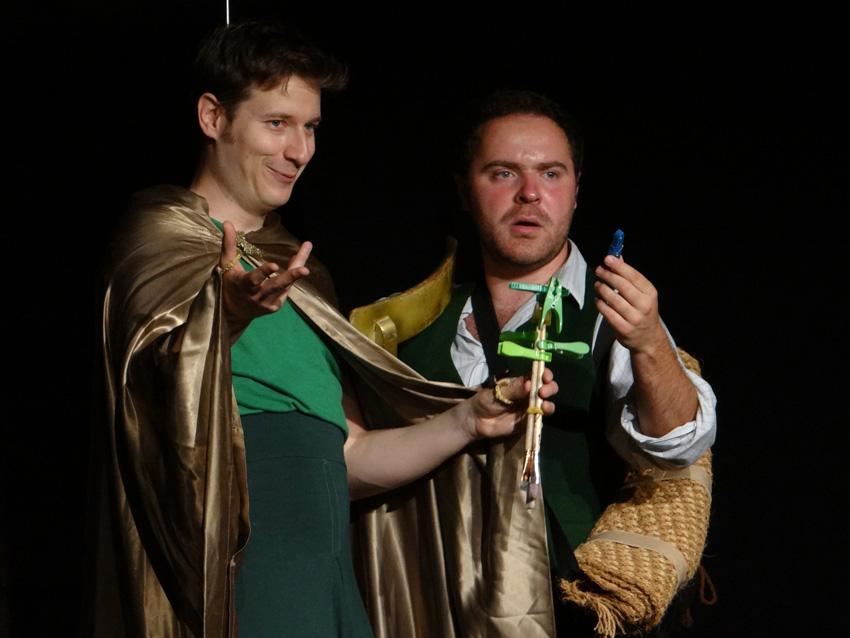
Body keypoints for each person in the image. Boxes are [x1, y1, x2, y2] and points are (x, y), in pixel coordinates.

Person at [85, 23, 557, 638]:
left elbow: (349, 455)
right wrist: (225, 316)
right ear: (212, 117)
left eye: (309, 127)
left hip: (327, 582)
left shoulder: (303, 276)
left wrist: (466, 421)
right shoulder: (157, 241)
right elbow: (150, 407)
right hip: (244, 574)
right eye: (276, 123)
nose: (299, 150)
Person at [394, 90, 717, 635]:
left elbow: (678, 447)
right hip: (434, 606)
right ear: (466, 190)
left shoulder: (615, 313)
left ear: (575, 191)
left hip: (570, 611)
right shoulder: (415, 319)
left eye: (550, 174)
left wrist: (647, 342)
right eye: (503, 173)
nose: (529, 193)